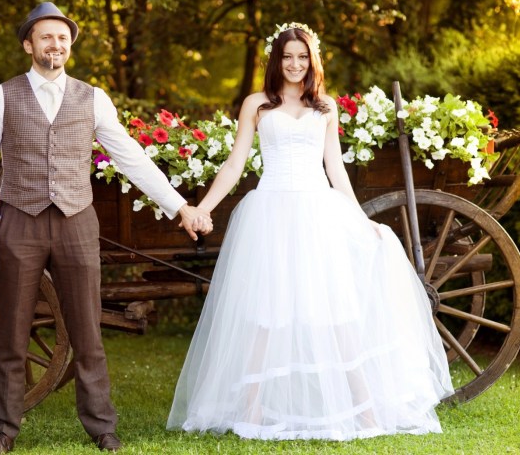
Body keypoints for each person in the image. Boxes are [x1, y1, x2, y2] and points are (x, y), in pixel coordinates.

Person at [167, 23, 454, 441]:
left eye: (303, 56)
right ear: (276, 61)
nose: (295, 64)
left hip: (319, 212)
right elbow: (235, 164)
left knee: (337, 312)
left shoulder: (325, 106)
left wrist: (360, 220)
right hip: (271, 212)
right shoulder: (257, 105)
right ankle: (250, 409)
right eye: (287, 57)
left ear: (312, 60)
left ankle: (367, 412)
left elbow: (334, 167)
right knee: (265, 313)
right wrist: (202, 207)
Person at [0, 2, 209, 454]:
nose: (55, 45)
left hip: (78, 221)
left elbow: (131, 157)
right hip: (19, 220)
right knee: (13, 333)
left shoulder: (93, 97)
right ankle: (2, 432)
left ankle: (102, 428)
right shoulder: (0, 96)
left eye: (62, 38)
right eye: (45, 37)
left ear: (70, 46)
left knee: (87, 333)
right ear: (28, 44)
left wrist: (180, 206)